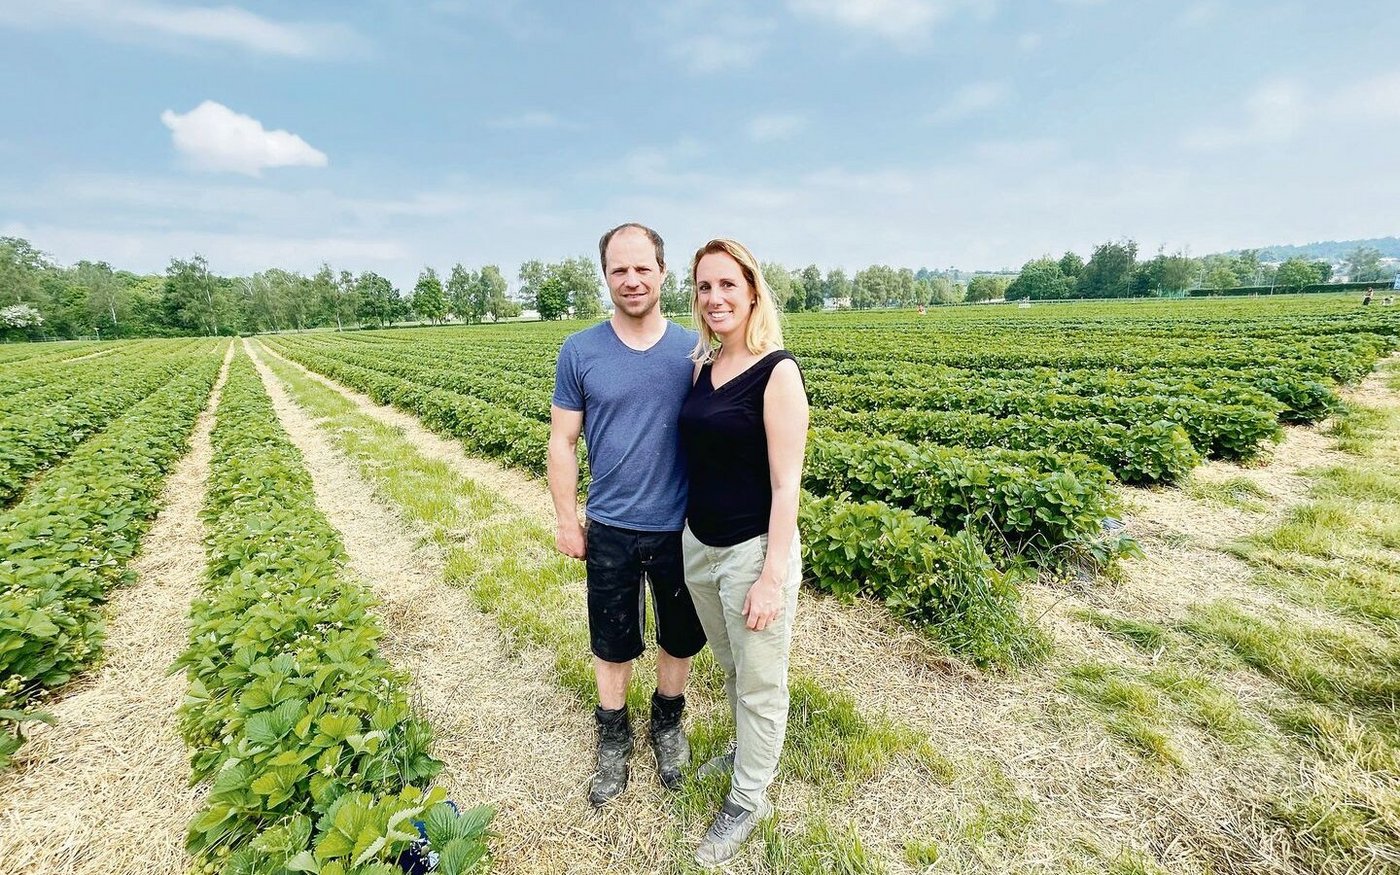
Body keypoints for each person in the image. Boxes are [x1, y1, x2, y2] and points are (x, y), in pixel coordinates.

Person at [549, 222, 707, 807]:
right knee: (612, 638)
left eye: (643, 268)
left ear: (663, 273)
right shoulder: (580, 351)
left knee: (679, 633)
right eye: (620, 269)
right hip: (610, 524)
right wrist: (569, 519)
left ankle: (667, 722)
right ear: (606, 276)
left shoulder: (694, 350)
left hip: (679, 524)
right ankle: (612, 735)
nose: (632, 279)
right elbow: (562, 441)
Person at [677, 238, 809, 867]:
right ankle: (745, 751)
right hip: (699, 546)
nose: (715, 298)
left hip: (753, 551)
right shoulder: (703, 365)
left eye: (727, 284)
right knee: (731, 667)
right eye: (704, 286)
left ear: (752, 290)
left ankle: (748, 797)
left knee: (760, 683)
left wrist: (772, 577)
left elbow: (787, 485)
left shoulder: (776, 371)